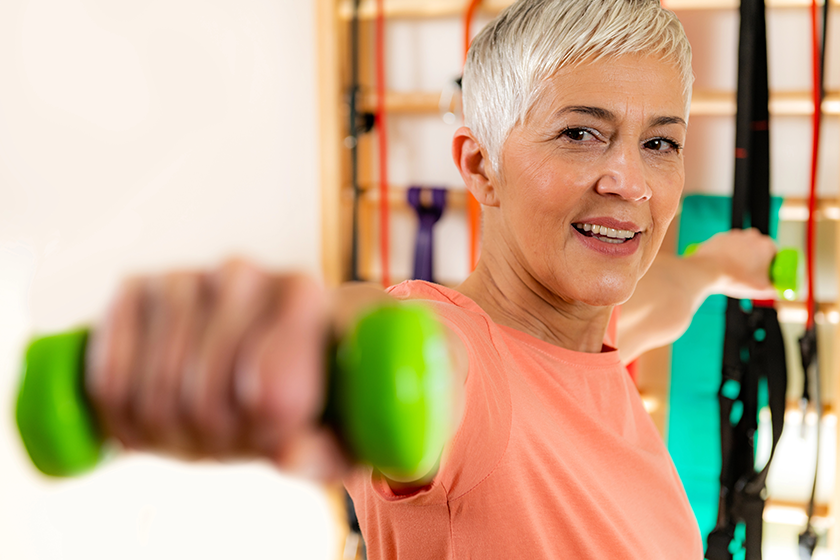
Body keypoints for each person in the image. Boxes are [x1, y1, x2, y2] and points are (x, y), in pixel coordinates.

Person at [86, 0, 779, 557]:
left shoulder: (586, 337)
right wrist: (276, 341)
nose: (629, 180)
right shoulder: (463, 370)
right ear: (481, 167)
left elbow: (665, 296)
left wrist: (716, 265)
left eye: (660, 143)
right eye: (580, 134)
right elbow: (383, 342)